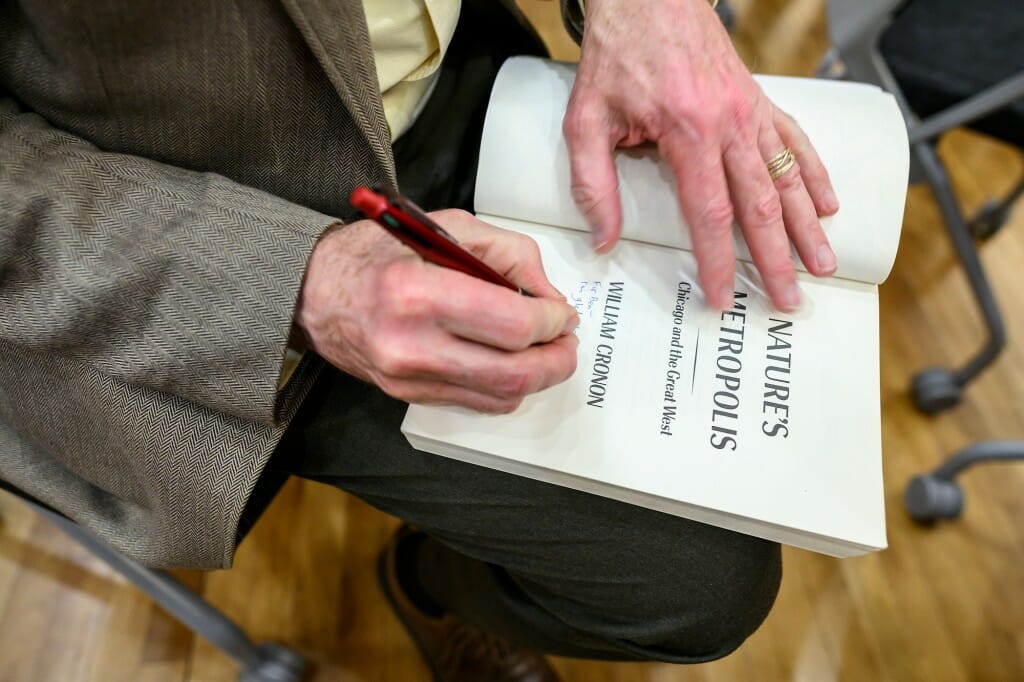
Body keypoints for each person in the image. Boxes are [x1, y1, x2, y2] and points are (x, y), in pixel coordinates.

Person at [0, 0, 838, 679]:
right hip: (208, 225)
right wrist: (301, 283)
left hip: (466, 67)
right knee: (694, 586)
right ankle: (429, 585)